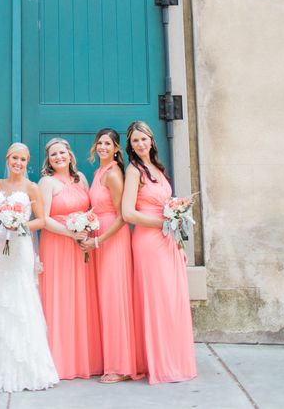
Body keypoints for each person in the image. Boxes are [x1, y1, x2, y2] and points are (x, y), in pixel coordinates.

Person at [0, 143, 59, 393]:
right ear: (7, 159)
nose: (18, 163)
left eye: (23, 159)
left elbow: (41, 219)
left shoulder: (31, 187)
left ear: (27, 162)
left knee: (21, 296)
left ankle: (27, 366)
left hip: (20, 247)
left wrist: (19, 226)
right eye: (14, 158)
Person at [122, 120, 197, 384]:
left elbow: (168, 208)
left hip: (168, 240)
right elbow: (128, 213)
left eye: (144, 139)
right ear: (130, 146)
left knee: (172, 299)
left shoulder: (158, 168)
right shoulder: (134, 171)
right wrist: (163, 223)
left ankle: (176, 360)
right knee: (158, 300)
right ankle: (160, 364)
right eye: (135, 141)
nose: (141, 144)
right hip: (148, 242)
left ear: (152, 140)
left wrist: (178, 243)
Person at [38, 137, 102, 379]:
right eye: (53, 154)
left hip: (80, 246)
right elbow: (44, 218)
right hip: (57, 244)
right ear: (49, 160)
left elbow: (89, 211)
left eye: (62, 153)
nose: (59, 157)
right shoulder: (47, 182)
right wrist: (70, 233)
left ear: (70, 155)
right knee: (59, 296)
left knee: (80, 296)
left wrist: (86, 230)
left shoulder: (81, 179)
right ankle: (59, 360)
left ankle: (84, 358)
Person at [84, 128, 139, 383]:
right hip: (100, 237)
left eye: (108, 143)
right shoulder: (99, 173)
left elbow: (123, 216)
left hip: (112, 240)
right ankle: (108, 359)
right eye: (100, 143)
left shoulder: (115, 174)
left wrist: (99, 240)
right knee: (104, 299)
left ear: (117, 148)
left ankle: (120, 365)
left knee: (114, 298)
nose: (103, 147)